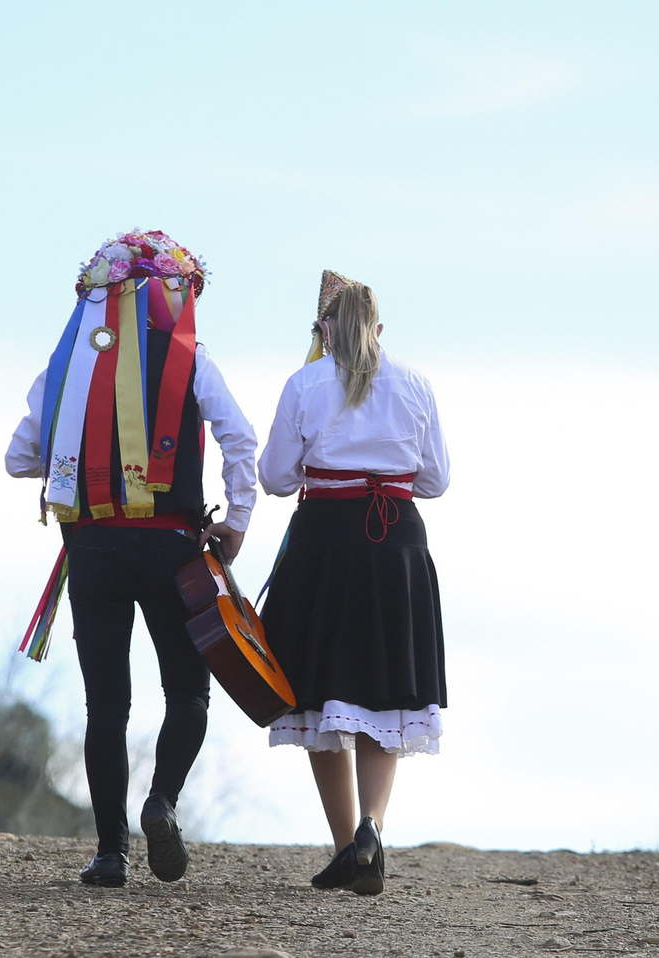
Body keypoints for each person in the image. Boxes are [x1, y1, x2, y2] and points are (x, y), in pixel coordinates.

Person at [5, 230, 257, 888]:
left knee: (106, 705)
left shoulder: (67, 366)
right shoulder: (192, 358)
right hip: (173, 549)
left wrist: (78, 456)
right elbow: (239, 438)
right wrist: (236, 521)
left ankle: (110, 853)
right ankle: (162, 802)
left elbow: (18, 458)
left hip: (94, 551)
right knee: (188, 692)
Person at [256, 271, 449, 896]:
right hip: (397, 542)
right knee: (384, 690)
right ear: (379, 329)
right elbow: (436, 480)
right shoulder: (415, 383)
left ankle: (346, 844)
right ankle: (371, 827)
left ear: (326, 329)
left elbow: (276, 479)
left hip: (325, 543)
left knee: (319, 692)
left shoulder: (305, 383)